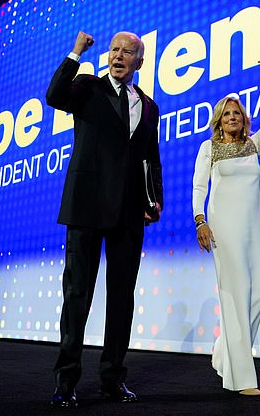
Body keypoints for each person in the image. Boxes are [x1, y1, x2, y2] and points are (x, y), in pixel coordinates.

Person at [45, 30, 163, 408]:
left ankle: (113, 379)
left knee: (121, 300)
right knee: (77, 296)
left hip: (129, 213)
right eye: (115, 49)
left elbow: (150, 157)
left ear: (139, 62)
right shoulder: (87, 86)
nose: (119, 55)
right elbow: (54, 97)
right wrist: (76, 52)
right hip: (87, 207)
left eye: (128, 51)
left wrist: (154, 199)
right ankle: (66, 383)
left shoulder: (149, 106)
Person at [192, 44, 260, 396]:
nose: (232, 117)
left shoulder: (253, 145)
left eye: (237, 113)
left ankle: (223, 353)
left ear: (245, 119)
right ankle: (240, 379)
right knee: (234, 297)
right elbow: (200, 185)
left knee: (259, 291)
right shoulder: (209, 148)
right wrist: (200, 220)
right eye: (226, 114)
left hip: (252, 230)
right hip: (223, 229)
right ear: (219, 120)